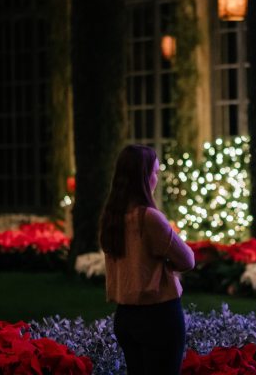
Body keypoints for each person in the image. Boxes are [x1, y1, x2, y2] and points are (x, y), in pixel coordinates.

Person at [100, 145, 195, 375]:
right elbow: (187, 259)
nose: (156, 178)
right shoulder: (149, 218)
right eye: (155, 172)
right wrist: (166, 264)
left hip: (125, 317)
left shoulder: (112, 218)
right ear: (144, 177)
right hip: (158, 316)